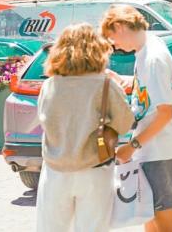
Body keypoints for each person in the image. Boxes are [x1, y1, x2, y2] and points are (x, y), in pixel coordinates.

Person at [36, 23, 134, 232]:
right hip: (94, 169)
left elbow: (44, 120)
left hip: (55, 169)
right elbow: (125, 122)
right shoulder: (104, 84)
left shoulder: (50, 85)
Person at [101, 6, 172, 232]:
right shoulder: (149, 48)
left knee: (161, 215)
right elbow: (153, 93)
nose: (114, 46)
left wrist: (132, 146)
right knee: (150, 212)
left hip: (159, 149)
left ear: (120, 26)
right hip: (154, 148)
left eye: (112, 39)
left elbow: (165, 113)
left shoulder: (153, 58)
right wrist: (126, 81)